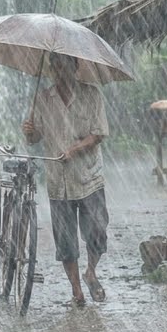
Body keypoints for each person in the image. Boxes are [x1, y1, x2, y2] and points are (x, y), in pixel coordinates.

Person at [22, 53, 110, 307]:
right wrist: (29, 131)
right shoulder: (43, 98)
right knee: (66, 239)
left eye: (66, 66)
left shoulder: (92, 95)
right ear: (51, 69)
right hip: (58, 180)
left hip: (88, 175)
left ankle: (91, 271)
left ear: (76, 67)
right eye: (56, 67)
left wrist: (73, 150)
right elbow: (34, 138)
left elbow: (98, 134)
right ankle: (77, 292)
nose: (61, 72)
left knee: (97, 229)